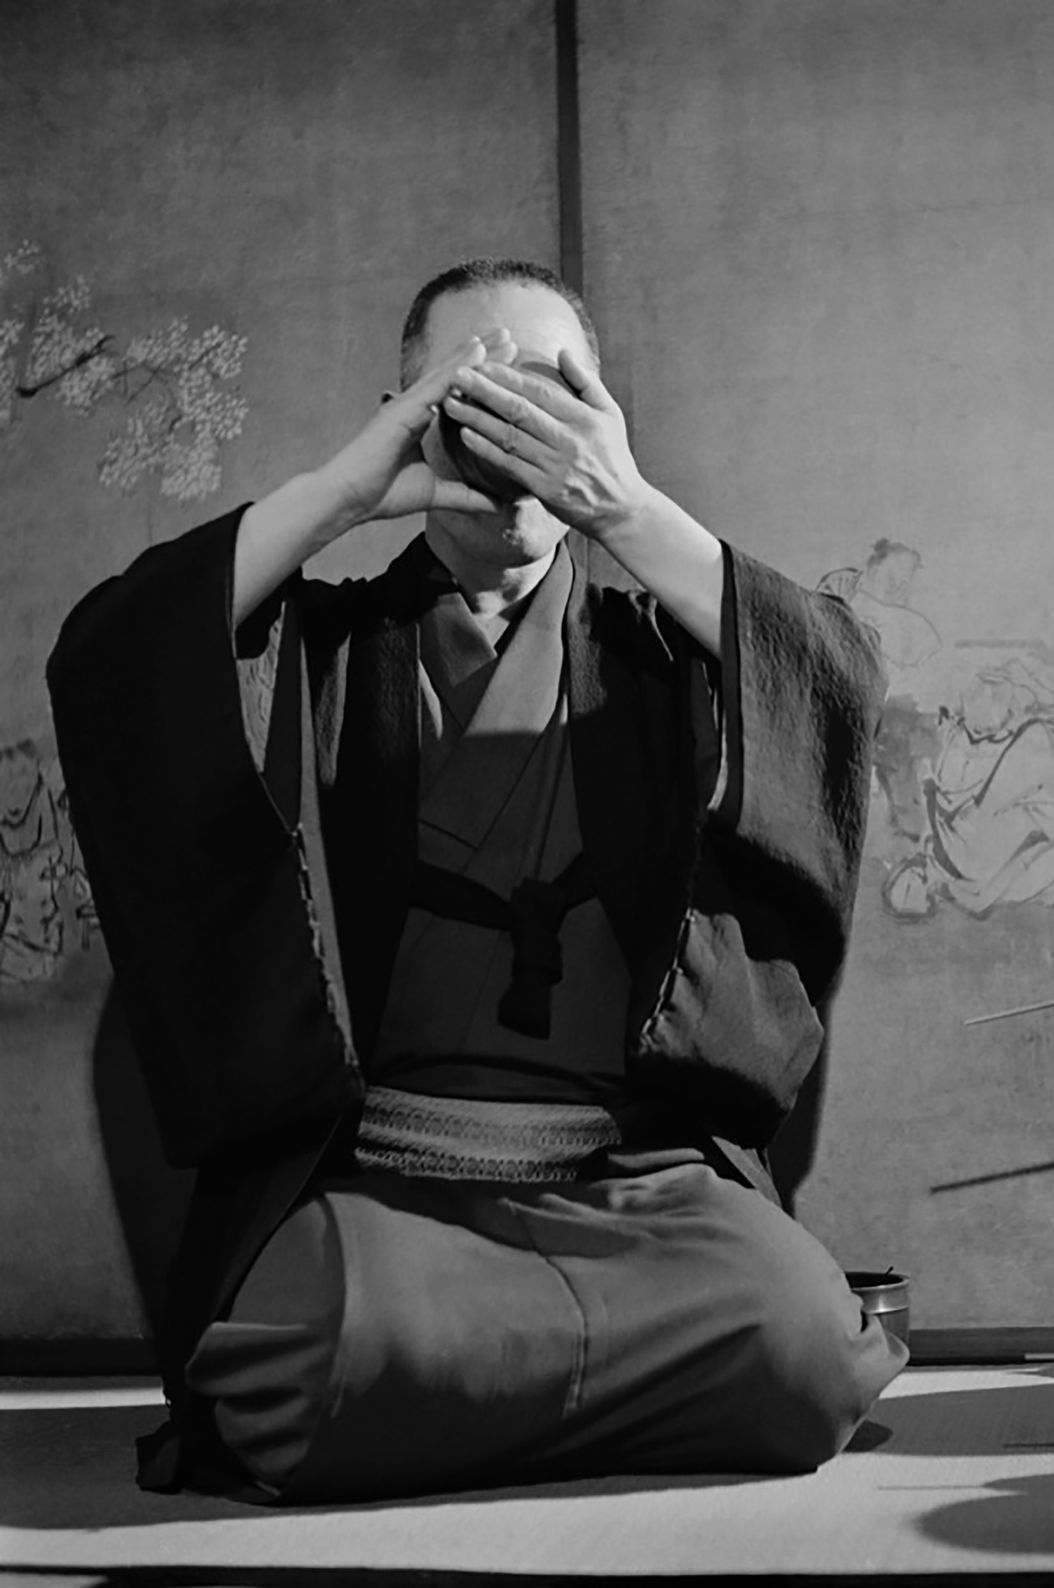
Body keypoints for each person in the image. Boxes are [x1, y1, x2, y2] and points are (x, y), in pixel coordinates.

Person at [47, 258, 906, 1504]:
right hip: (387, 1194)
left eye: (556, 397)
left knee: (808, 1352)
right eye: (473, 394)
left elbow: (831, 674)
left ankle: (471, 1405)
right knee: (314, 1351)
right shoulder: (328, 652)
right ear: (409, 406)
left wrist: (625, 508)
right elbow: (115, 662)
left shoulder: (657, 659)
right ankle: (549, 1393)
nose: (515, 435)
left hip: (629, 1185)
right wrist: (347, 491)